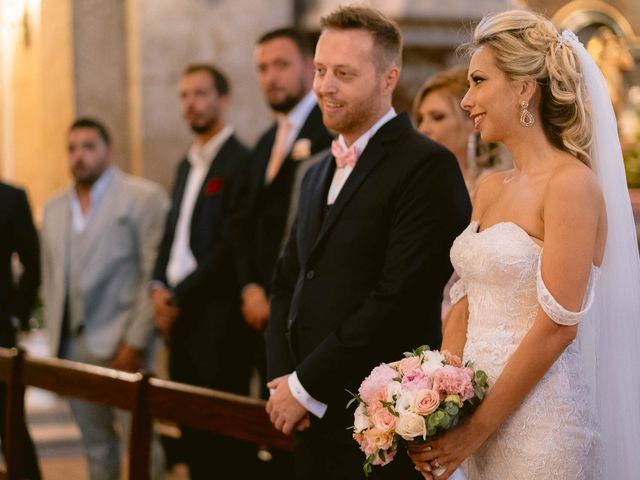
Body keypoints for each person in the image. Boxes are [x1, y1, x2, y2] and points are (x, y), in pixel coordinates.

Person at [408, 10, 640, 480]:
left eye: (478, 81)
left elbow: (557, 327)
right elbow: (466, 299)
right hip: (472, 422)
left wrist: (478, 429)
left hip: (541, 429)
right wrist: (439, 401)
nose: (467, 100)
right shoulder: (491, 187)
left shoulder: (572, 186)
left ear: (523, 88)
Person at [265, 6, 471, 479]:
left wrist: (305, 385)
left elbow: (398, 297)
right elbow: (286, 281)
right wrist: (285, 383)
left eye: (343, 73)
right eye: (319, 70)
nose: (324, 86)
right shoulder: (315, 172)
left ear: (387, 78)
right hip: (307, 417)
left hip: (380, 424)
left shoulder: (425, 166)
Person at [41, 118, 167, 480]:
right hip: (72, 347)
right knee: (95, 447)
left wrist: (137, 340)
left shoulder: (142, 198)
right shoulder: (53, 209)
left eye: (88, 146)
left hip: (124, 345)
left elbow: (153, 273)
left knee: (142, 444)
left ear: (108, 151)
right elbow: (51, 279)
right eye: (72, 148)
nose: (79, 156)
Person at [150, 64, 255, 479]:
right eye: (184, 95)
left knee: (222, 442)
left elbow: (230, 246)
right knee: (190, 431)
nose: (190, 104)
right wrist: (158, 285)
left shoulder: (239, 160)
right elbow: (171, 233)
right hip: (180, 318)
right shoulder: (185, 164)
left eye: (199, 93)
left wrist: (178, 297)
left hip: (217, 320)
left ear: (223, 100)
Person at [241, 27, 333, 346]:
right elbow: (247, 221)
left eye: (281, 65)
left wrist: (278, 298)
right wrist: (250, 287)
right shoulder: (265, 142)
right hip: (256, 308)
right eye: (263, 68)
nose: (270, 78)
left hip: (303, 308)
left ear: (310, 66)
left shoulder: (328, 131)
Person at [412, 65, 509, 196]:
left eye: (437, 117)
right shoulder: (416, 185)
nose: (423, 129)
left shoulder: (495, 185)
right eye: (420, 119)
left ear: (472, 121)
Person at [0, 181, 41, 480]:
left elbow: (33, 261)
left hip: (0, 333)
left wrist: (16, 315)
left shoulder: (11, 198)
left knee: (10, 428)